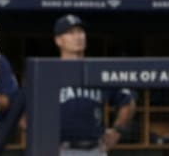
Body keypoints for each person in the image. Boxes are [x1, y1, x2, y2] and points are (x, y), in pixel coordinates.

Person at [54, 14, 135, 155]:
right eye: (71, 33)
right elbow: (24, 113)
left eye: (80, 32)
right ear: (59, 40)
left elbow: (128, 101)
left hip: (95, 148)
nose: (78, 37)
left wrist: (117, 131)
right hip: (60, 148)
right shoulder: (48, 72)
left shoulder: (97, 70)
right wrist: (44, 139)